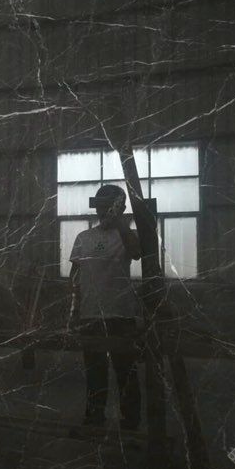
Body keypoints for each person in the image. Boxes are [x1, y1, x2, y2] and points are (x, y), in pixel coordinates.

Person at [69, 184, 143, 429]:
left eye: (110, 206)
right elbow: (75, 278)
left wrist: (120, 221)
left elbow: (137, 253)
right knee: (95, 371)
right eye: (101, 206)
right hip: (91, 315)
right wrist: (74, 312)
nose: (104, 211)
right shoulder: (84, 238)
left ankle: (131, 422)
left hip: (120, 315)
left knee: (126, 370)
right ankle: (94, 418)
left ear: (120, 208)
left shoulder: (128, 236)